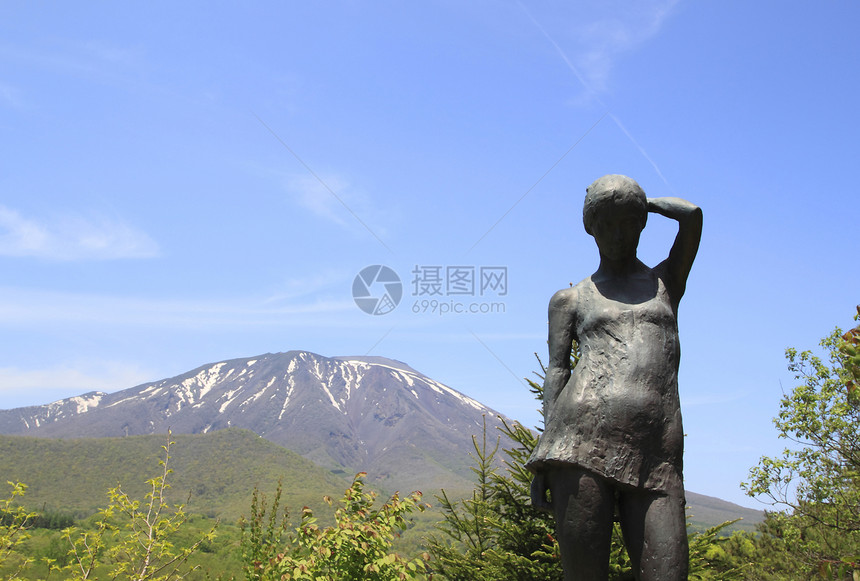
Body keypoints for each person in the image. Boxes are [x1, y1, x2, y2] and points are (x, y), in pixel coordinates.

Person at [526, 174, 703, 581]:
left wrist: (640, 202)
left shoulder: (665, 283)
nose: (617, 233)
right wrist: (543, 464)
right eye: (605, 222)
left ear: (641, 224)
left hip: (657, 453)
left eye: (627, 221)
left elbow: (691, 216)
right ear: (590, 228)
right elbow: (558, 371)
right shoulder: (570, 299)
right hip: (579, 443)